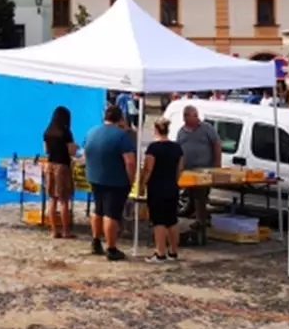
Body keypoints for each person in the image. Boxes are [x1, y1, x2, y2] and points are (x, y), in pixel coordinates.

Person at [83, 104, 136, 262]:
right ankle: (111, 247)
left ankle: (95, 240)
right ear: (120, 118)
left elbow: (85, 153)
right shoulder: (121, 136)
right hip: (115, 180)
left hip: (94, 176)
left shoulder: (91, 132)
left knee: (97, 209)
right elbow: (130, 162)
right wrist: (131, 179)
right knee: (111, 214)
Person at [140, 116, 184, 262]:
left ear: (156, 130)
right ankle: (173, 251)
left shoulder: (153, 148)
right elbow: (180, 169)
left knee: (159, 221)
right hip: (172, 186)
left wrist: (142, 184)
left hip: (157, 187)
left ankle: (160, 252)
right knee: (172, 220)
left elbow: (148, 169)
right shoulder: (177, 147)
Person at [176, 105, 221, 233]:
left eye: (195, 115)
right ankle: (199, 219)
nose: (196, 118)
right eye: (191, 116)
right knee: (191, 195)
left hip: (204, 170)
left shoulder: (207, 128)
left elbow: (216, 144)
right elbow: (179, 150)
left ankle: (201, 220)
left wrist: (217, 163)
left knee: (201, 195)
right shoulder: (181, 132)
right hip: (187, 170)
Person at [42, 106, 77, 239]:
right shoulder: (66, 133)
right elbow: (71, 152)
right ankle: (66, 231)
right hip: (62, 166)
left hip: (50, 165)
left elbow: (46, 150)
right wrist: (75, 147)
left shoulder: (47, 132)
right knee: (64, 200)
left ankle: (53, 230)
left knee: (53, 199)